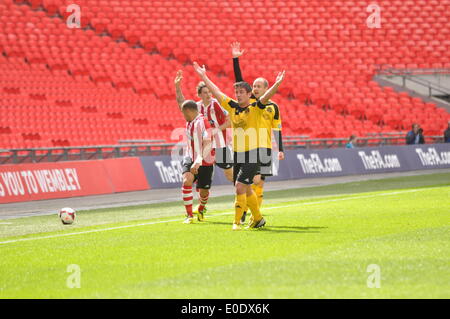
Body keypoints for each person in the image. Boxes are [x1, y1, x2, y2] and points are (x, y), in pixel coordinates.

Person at [193, 62, 285, 230]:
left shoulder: (256, 107)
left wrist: (277, 84)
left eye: (242, 92)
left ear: (249, 94)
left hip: (255, 152)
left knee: (240, 185)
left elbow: (265, 97)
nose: (238, 95)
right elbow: (217, 92)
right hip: (238, 153)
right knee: (246, 187)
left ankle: (236, 222)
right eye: (236, 92)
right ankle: (258, 218)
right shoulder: (232, 106)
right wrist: (203, 76)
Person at [231, 42, 285, 224]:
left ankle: (254, 214)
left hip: (265, 147)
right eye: (253, 86)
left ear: (266, 88)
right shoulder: (251, 102)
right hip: (249, 146)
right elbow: (239, 81)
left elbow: (278, 129)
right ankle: (249, 212)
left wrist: (280, 149)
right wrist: (236, 59)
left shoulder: (273, 107)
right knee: (250, 182)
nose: (254, 88)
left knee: (259, 182)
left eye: (258, 86)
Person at [175, 70, 234, 183]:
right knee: (199, 175)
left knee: (229, 175)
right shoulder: (196, 107)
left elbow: (229, 122)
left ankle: (244, 191)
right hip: (206, 146)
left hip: (220, 145)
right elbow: (182, 104)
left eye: (209, 92)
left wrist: (215, 131)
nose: (208, 95)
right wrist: (177, 87)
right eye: (205, 92)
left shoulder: (216, 103)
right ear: (200, 95)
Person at [174, 71, 215, 224]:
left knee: (203, 192)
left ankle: (202, 207)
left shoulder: (202, 122)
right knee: (187, 180)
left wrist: (198, 160)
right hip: (190, 156)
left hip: (205, 159)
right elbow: (181, 103)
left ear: (189, 112)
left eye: (184, 113)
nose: (182, 114)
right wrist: (177, 87)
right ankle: (189, 215)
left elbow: (208, 142)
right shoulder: (189, 119)